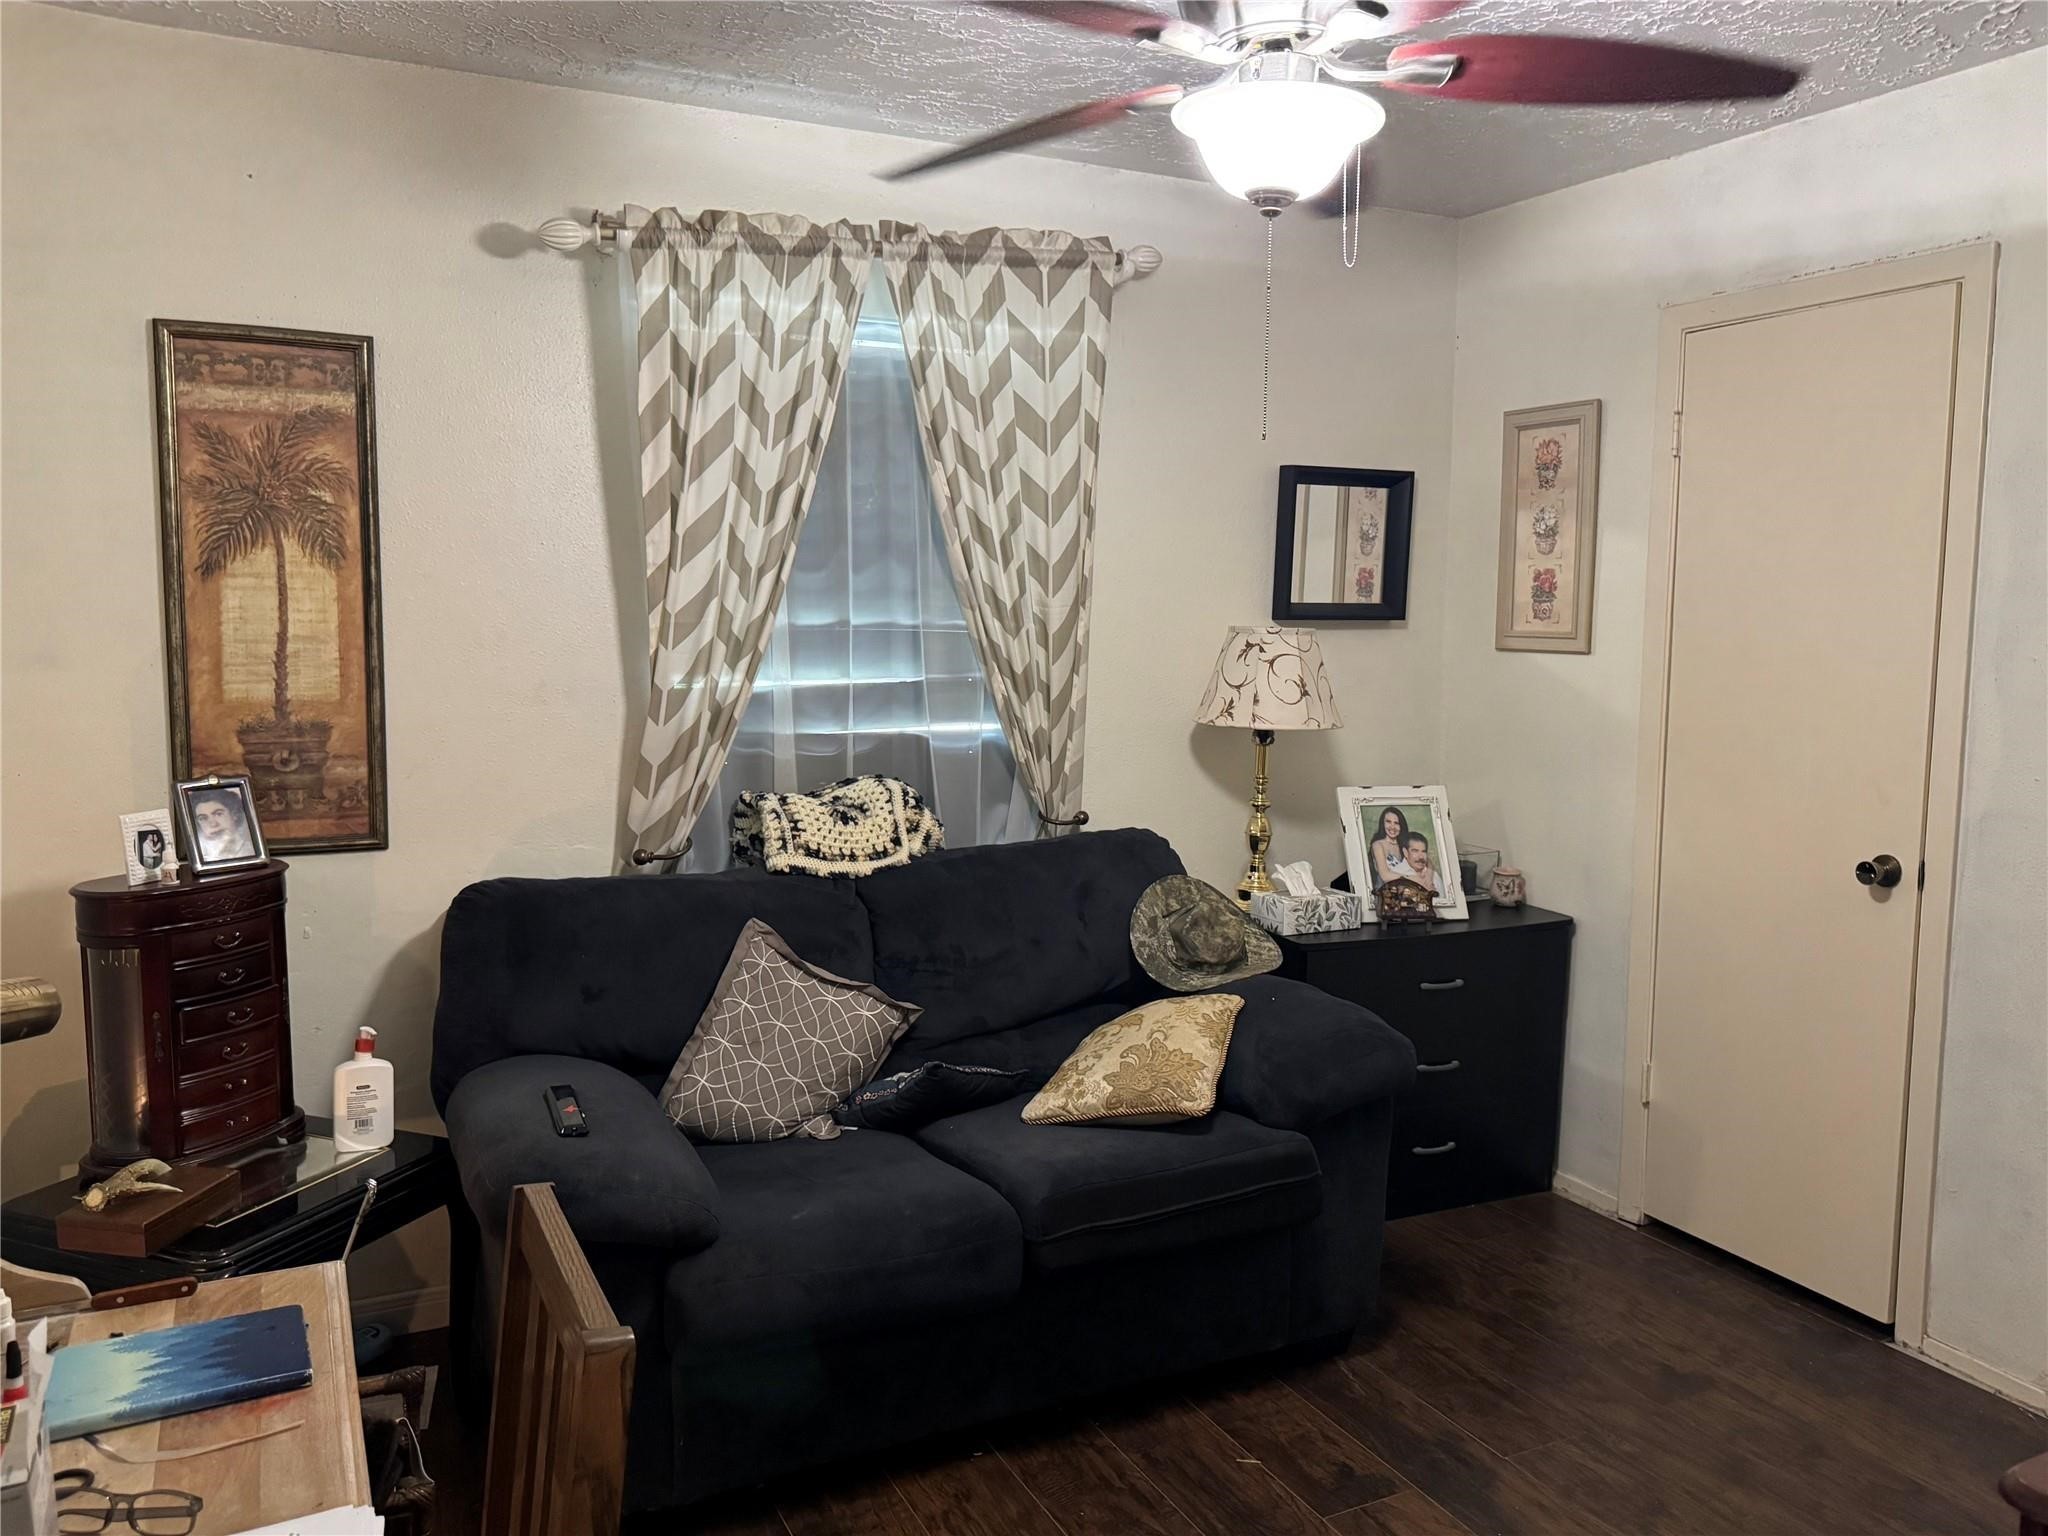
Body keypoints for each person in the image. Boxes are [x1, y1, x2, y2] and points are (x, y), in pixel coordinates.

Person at [190, 790, 256, 862]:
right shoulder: (197, 856)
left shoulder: (250, 851)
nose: (213, 824)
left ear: (234, 814)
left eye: (218, 814)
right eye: (203, 818)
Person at [1366, 805, 1411, 890]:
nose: (1392, 827)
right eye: (1388, 822)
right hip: (1386, 894)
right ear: (1383, 824)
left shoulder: (1406, 844)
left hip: (1407, 892)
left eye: (1396, 823)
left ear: (1401, 825)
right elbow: (1385, 875)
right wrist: (1411, 879)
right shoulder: (1378, 845)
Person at [1400, 829, 1444, 897]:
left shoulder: (1434, 875)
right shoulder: (1396, 873)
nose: (1421, 857)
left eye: (1423, 851)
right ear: (1405, 852)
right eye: (1415, 851)